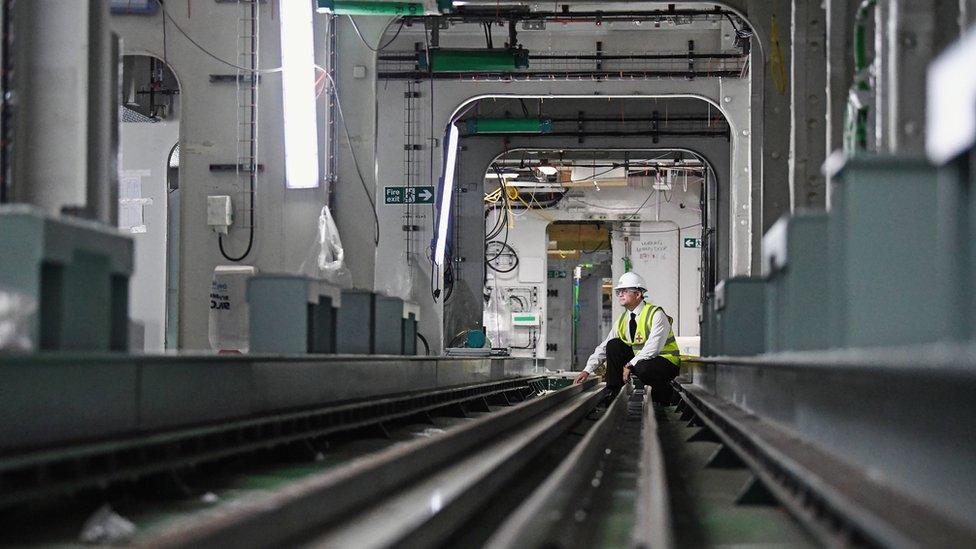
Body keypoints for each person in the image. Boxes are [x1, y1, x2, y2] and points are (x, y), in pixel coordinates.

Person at [574, 272, 681, 404]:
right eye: (618, 291)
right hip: (641, 361)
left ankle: (666, 393)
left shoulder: (655, 314)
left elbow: (653, 348)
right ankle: (614, 393)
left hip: (666, 362)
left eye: (624, 291)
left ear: (638, 294)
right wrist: (587, 370)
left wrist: (630, 364)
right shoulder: (623, 320)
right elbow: (604, 346)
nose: (620, 294)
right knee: (613, 345)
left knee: (643, 368)